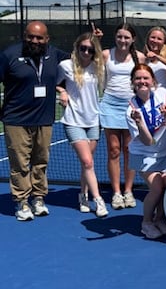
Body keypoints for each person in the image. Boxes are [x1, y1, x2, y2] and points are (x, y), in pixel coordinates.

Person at [0, 21, 69, 220]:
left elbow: (81, 58)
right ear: (24, 36)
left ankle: (38, 198)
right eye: (31, 36)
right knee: (20, 164)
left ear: (47, 39)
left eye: (39, 37)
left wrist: (94, 41)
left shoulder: (54, 54)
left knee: (40, 162)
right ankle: (21, 202)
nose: (35, 41)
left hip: (44, 119)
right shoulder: (9, 55)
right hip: (16, 120)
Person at [57, 30, 109, 217]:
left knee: (88, 164)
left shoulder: (98, 67)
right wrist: (62, 91)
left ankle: (82, 195)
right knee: (87, 162)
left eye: (90, 49)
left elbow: (107, 54)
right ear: (77, 48)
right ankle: (99, 201)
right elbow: (55, 82)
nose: (86, 52)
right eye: (83, 48)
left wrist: (98, 40)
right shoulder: (66, 65)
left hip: (93, 120)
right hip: (73, 120)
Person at [126, 64, 166, 239]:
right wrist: (140, 122)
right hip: (144, 154)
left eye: (145, 78)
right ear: (133, 82)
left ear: (153, 80)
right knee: (156, 187)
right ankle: (146, 222)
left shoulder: (163, 94)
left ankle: (159, 219)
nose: (142, 81)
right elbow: (148, 141)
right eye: (138, 78)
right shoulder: (131, 110)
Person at [100, 23, 145, 210]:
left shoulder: (140, 57)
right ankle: (116, 192)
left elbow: (146, 77)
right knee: (113, 150)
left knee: (129, 150)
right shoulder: (105, 54)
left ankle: (128, 191)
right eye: (119, 36)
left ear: (133, 39)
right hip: (110, 104)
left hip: (131, 106)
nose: (123, 40)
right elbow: (85, 61)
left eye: (126, 37)